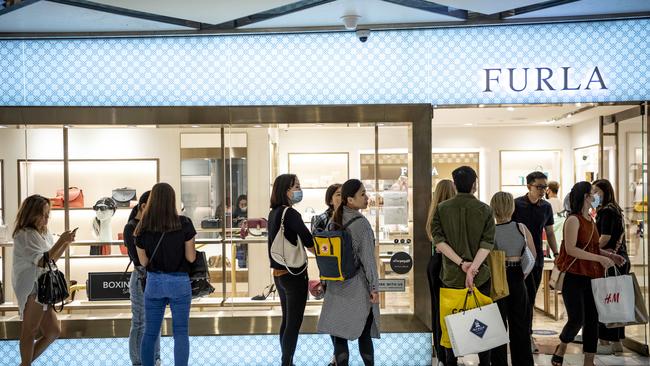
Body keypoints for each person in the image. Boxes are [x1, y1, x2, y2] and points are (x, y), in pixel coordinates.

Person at [550, 182, 624, 366]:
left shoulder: (591, 220)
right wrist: (599, 259)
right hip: (574, 276)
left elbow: (593, 247)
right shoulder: (573, 220)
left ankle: (589, 361)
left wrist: (610, 256)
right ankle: (562, 345)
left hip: (593, 276)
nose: (595, 196)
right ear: (585, 196)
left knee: (592, 320)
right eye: (592, 193)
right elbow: (571, 249)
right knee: (577, 319)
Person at [431, 166, 495, 366]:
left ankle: (451, 362)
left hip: (450, 275)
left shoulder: (442, 208)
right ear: (474, 185)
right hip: (480, 277)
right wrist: (473, 268)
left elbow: (438, 240)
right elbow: (487, 243)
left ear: (455, 184)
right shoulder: (485, 210)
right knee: (482, 327)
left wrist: (461, 264)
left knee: (450, 327)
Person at [318, 179, 380, 366]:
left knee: (339, 337)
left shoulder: (333, 221)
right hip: (358, 288)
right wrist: (374, 287)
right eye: (362, 194)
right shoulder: (361, 224)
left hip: (335, 288)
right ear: (350, 200)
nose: (367, 197)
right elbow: (369, 261)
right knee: (364, 335)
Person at [135, 183, 197, 366]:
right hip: (179, 283)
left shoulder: (142, 228)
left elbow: (144, 262)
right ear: (172, 200)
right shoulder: (184, 223)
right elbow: (191, 257)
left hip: (154, 283)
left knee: (150, 333)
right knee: (180, 332)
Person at [12, 194, 76, 366]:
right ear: (32, 213)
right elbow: (42, 261)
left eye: (48, 214)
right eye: (43, 214)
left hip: (43, 286)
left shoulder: (44, 233)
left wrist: (65, 243)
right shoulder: (24, 235)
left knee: (53, 331)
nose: (46, 218)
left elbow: (51, 259)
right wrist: (61, 241)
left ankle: (24, 364)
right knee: (30, 330)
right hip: (32, 286)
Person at [268, 174, 315, 366]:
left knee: (287, 320)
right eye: (295, 186)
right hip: (295, 275)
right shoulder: (291, 214)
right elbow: (309, 241)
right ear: (285, 190)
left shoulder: (274, 213)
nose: (299, 190)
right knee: (293, 323)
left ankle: (287, 361)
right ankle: (286, 362)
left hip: (279, 274)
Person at [512, 171, 559, 352]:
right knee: (517, 299)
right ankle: (516, 336)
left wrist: (556, 254)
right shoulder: (516, 204)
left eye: (544, 187)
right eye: (539, 187)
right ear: (529, 186)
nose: (542, 190)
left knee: (530, 299)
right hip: (516, 260)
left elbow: (550, 232)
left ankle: (527, 336)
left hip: (537, 259)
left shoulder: (546, 207)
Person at [489, 191, 536, 366]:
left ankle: (499, 363)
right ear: (512, 207)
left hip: (497, 278)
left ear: (493, 208)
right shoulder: (521, 228)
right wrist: (521, 274)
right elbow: (532, 255)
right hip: (517, 276)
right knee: (520, 326)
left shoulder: (489, 230)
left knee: (497, 327)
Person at [592, 179, 630, 355]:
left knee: (607, 300)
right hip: (620, 258)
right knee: (616, 300)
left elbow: (605, 237)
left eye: (596, 192)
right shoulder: (616, 209)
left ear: (605, 192)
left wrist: (592, 249)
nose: (594, 195)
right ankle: (615, 342)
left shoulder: (607, 211)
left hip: (610, 260)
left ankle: (608, 342)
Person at [123, 191, 161, 366]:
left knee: (155, 321)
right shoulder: (131, 227)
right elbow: (138, 258)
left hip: (153, 277)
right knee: (140, 321)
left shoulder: (152, 226)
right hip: (141, 277)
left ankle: (154, 358)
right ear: (144, 206)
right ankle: (138, 361)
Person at [425, 179, 456, 366]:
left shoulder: (433, 212)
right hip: (451, 263)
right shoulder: (453, 213)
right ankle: (451, 352)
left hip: (435, 264)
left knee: (438, 310)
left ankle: (441, 353)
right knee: (454, 309)